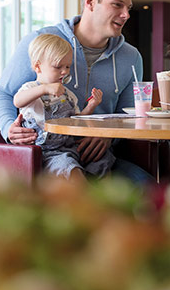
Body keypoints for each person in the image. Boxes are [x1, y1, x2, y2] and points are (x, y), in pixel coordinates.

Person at [0, 0, 153, 183]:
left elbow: (129, 114)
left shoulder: (131, 57)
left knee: (149, 188)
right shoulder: (42, 41)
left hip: (98, 157)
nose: (126, 15)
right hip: (48, 155)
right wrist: (8, 127)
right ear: (90, 2)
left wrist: (108, 136)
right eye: (117, 5)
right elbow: (3, 93)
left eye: (128, 8)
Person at [14, 34, 108, 181]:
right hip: (47, 152)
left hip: (70, 147)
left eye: (67, 66)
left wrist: (91, 106)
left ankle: (94, 195)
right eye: (58, 67)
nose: (65, 72)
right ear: (38, 66)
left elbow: (77, 120)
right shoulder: (31, 88)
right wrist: (44, 89)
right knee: (71, 169)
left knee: (103, 160)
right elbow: (17, 101)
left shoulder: (67, 94)